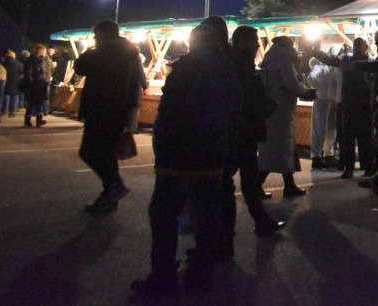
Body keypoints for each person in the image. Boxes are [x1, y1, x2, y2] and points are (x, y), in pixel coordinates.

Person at [130, 24, 242, 296]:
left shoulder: (186, 70)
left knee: (164, 213)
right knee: (208, 213)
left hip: (179, 153)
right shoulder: (228, 71)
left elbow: (171, 113)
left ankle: (163, 276)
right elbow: (235, 114)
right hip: (213, 151)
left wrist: (161, 144)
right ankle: (203, 271)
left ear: (193, 43)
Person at [73, 21, 142, 213]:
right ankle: (110, 196)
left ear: (103, 35)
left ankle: (114, 186)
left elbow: (80, 67)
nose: (95, 38)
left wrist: (91, 49)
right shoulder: (128, 52)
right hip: (118, 110)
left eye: (96, 35)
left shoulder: (104, 53)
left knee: (89, 151)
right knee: (107, 153)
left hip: (101, 109)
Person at [224, 25, 286, 241]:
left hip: (243, 128)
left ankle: (260, 221)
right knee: (236, 175)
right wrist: (262, 105)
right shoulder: (240, 64)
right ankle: (228, 231)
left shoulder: (238, 62)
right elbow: (244, 95)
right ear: (241, 42)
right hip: (243, 129)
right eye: (254, 40)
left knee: (244, 175)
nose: (257, 45)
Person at [258, 36, 309, 197]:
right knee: (279, 150)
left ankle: (289, 184)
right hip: (282, 111)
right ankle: (256, 185)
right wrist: (303, 85)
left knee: (281, 149)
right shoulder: (285, 63)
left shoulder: (269, 61)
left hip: (272, 110)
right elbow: (293, 85)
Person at [338, 38, 376, 179]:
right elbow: (331, 60)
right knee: (348, 138)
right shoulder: (347, 60)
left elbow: (374, 81)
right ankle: (349, 168)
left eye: (359, 45)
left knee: (365, 138)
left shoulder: (371, 62)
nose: (356, 48)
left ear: (366, 47)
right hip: (349, 103)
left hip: (365, 104)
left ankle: (367, 167)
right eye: (355, 45)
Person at [308, 47, 342, 170]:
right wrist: (324, 89)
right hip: (322, 100)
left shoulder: (334, 67)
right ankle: (316, 156)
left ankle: (328, 154)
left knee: (331, 128)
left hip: (332, 100)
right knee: (320, 128)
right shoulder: (321, 65)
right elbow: (311, 78)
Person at [22, 44, 51, 127]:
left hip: (41, 84)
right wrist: (32, 82)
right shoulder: (32, 60)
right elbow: (28, 72)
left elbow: (45, 71)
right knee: (31, 103)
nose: (45, 53)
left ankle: (39, 120)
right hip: (34, 85)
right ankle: (27, 121)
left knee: (39, 103)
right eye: (44, 52)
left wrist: (46, 80)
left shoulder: (42, 61)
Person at [3, 50, 24, 117]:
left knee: (6, 96)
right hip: (15, 82)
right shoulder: (19, 64)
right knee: (14, 96)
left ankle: (4, 110)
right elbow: (22, 73)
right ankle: (12, 111)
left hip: (5, 82)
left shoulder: (3, 64)